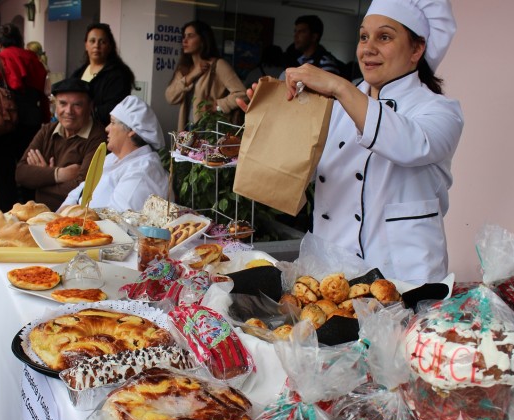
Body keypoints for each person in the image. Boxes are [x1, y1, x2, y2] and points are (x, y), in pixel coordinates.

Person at [239, 0, 463, 284]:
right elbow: (295, 177)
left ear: (417, 49)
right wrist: (272, 123)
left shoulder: (441, 111)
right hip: (330, 274)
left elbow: (408, 144)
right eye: (363, 37)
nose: (368, 48)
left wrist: (338, 86)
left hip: (404, 280)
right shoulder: (336, 107)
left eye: (384, 37)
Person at [60, 95, 171, 212]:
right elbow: (81, 190)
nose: (107, 128)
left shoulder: (143, 171)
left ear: (131, 130)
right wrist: (64, 214)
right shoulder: (112, 158)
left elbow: (117, 219)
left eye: (112, 123)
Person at [0, 23, 50, 212]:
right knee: (29, 168)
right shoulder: (35, 60)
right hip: (32, 123)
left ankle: (7, 214)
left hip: (4, 122)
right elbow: (44, 90)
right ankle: (30, 211)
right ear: (20, 40)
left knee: (3, 173)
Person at [15, 78, 107, 211]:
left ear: (90, 106)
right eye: (62, 103)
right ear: (55, 105)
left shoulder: (98, 138)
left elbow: (84, 189)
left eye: (77, 105)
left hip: (72, 218)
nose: (69, 111)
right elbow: (21, 173)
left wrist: (41, 179)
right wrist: (59, 174)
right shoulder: (47, 130)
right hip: (40, 213)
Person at [165, 20, 247, 131]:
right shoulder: (185, 69)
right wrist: (192, 75)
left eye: (190, 36)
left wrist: (218, 106)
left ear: (203, 40)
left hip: (209, 134)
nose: (184, 40)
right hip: (187, 134)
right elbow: (170, 97)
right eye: (184, 36)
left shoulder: (218, 65)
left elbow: (242, 93)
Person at [70, 23, 136, 127]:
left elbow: (115, 109)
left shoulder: (118, 75)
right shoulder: (78, 74)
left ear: (109, 46)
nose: (96, 45)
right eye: (92, 41)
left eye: (102, 42)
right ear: (86, 45)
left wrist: (84, 112)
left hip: (103, 132)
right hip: (77, 129)